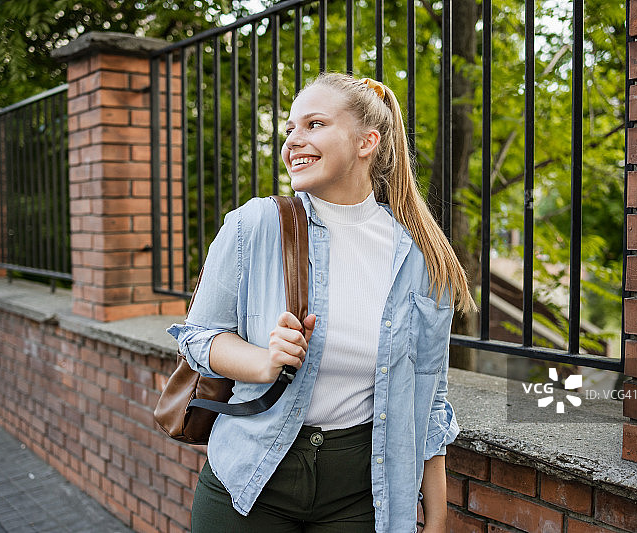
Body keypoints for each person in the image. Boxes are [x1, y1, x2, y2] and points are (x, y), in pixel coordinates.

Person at [167, 72, 474, 533]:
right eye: (290, 127)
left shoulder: (421, 256)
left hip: (360, 493)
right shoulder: (255, 225)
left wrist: (437, 517)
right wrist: (263, 361)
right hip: (249, 481)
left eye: (314, 124)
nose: (293, 140)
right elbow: (196, 338)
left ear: (367, 142)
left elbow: (430, 399)